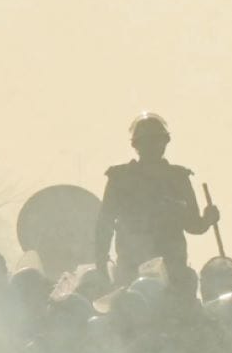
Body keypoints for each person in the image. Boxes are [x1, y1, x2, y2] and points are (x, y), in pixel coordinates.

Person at [93, 113, 220, 286]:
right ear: (136, 145)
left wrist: (207, 219)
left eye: (156, 140)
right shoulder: (120, 178)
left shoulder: (178, 177)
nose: (153, 146)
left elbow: (193, 225)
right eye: (148, 141)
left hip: (171, 268)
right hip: (133, 268)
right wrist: (100, 262)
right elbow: (104, 225)